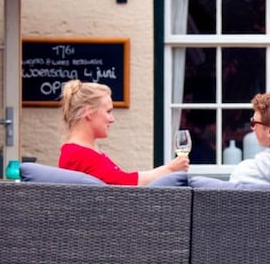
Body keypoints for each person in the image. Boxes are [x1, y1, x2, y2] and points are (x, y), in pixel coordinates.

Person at [58, 79, 188, 186]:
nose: (112, 119)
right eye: (108, 112)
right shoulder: (79, 154)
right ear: (89, 113)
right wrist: (170, 169)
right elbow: (123, 184)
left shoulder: (78, 151)